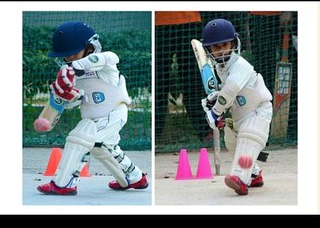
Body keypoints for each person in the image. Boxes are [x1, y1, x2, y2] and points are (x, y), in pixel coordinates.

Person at [37, 21, 149, 195]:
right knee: (102, 148)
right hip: (95, 116)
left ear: (90, 47)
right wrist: (69, 95)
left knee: (79, 137)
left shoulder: (105, 64)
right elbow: (77, 100)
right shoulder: (71, 73)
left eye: (73, 54)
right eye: (66, 57)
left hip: (113, 113)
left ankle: (63, 183)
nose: (69, 59)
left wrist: (77, 66)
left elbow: (112, 57)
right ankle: (133, 177)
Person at [200, 18, 273, 195]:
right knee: (232, 142)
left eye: (225, 44)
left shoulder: (241, 65)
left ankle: (239, 176)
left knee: (248, 137)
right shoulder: (220, 68)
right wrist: (212, 100)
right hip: (240, 113)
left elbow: (231, 90)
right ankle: (254, 174)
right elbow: (227, 93)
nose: (221, 50)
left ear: (233, 43)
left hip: (258, 110)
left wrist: (215, 112)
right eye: (216, 47)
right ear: (209, 50)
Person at [155, 11, 211, 142]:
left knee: (194, 81)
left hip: (189, 20)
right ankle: (156, 134)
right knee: (159, 81)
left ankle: (205, 131)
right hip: (158, 22)